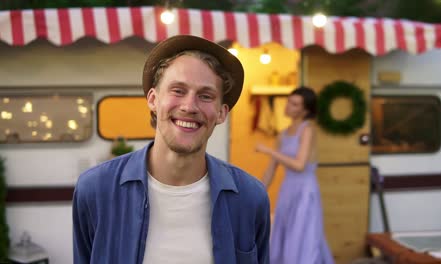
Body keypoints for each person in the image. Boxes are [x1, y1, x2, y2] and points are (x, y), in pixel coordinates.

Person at [73, 35, 270, 264]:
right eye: (178, 90)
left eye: (205, 96)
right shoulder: (96, 190)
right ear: (153, 100)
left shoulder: (250, 198)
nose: (189, 106)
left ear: (221, 113)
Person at [256, 87, 334, 264]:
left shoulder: (308, 130)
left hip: (305, 192)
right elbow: (271, 170)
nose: (288, 106)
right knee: (284, 236)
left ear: (305, 110)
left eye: (294, 103)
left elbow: (299, 165)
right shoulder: (283, 133)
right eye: (289, 101)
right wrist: (256, 193)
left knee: (302, 238)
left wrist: (268, 150)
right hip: (287, 191)